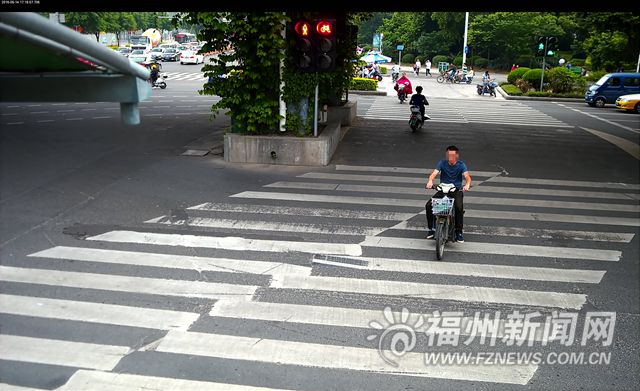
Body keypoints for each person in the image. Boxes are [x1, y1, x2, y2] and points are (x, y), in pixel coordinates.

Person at [425, 145, 471, 242]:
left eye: (452, 155)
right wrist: (430, 181)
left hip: (456, 190)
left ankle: (459, 232)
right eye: (448, 155)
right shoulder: (442, 163)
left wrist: (467, 185)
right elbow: (434, 174)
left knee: (459, 207)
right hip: (443, 189)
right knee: (429, 205)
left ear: (457, 156)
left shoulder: (461, 165)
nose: (450, 157)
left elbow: (467, 177)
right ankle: (431, 229)